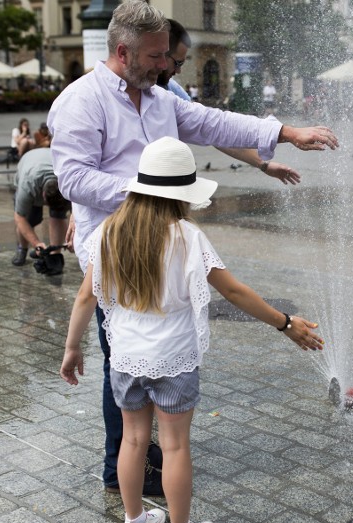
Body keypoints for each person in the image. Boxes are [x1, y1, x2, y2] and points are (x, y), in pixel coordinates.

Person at [48, 0, 337, 496]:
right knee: (123, 355)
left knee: (151, 349)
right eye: (159, 56)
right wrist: (148, 199)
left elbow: (214, 124)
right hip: (116, 242)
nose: (168, 65)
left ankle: (143, 453)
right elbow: (72, 178)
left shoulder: (160, 100)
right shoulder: (82, 100)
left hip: (161, 233)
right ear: (124, 51)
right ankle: (121, 462)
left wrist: (286, 133)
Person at [59, 137, 324, 523]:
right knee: (175, 446)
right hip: (173, 359)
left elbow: (85, 297)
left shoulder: (110, 231)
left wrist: (72, 349)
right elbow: (234, 292)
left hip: (125, 357)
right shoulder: (187, 236)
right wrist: (286, 324)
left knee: (132, 440)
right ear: (180, 195)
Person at [156, 18, 301, 185]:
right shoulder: (125, 94)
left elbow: (214, 129)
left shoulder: (171, 90)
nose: (179, 70)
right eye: (178, 62)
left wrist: (263, 164)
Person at [11, 147, 71, 268]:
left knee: (58, 216)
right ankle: (22, 249)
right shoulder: (28, 185)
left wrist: (74, 239)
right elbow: (19, 217)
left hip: (48, 162)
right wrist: (36, 243)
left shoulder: (67, 180)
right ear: (43, 196)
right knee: (30, 219)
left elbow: (78, 214)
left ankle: (54, 254)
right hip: (29, 162)